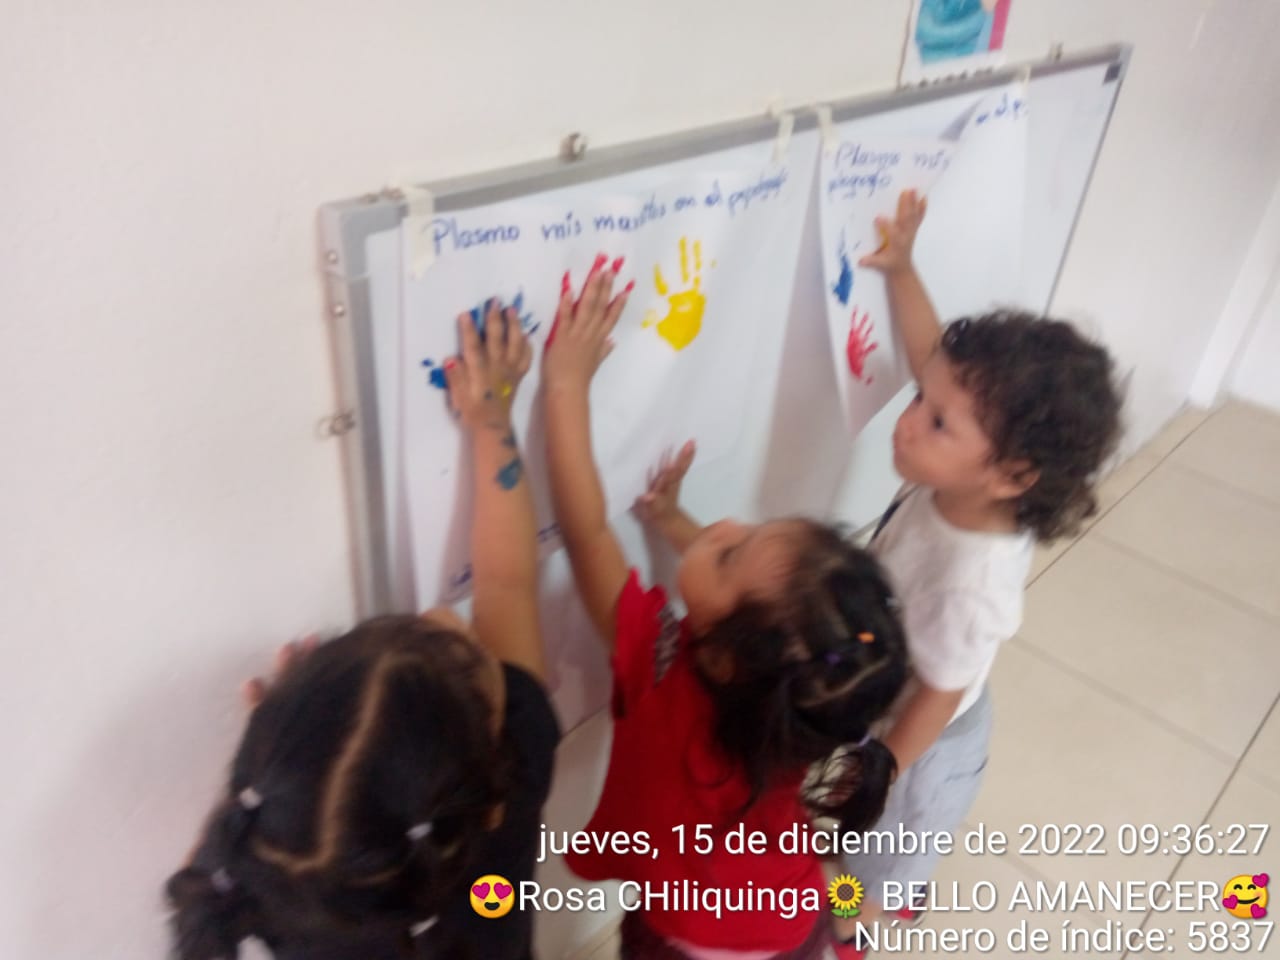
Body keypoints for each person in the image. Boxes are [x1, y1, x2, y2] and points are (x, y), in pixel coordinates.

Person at [166, 301, 558, 960]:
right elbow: (507, 581)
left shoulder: (284, 881)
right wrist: (492, 419)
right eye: (468, 650)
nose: (448, 615)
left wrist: (297, 752)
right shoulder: (515, 778)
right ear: (488, 791)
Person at [542, 259, 910, 959]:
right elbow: (743, 609)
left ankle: (848, 924)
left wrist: (565, 385)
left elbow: (587, 534)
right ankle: (851, 928)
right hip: (789, 916)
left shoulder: (662, 678)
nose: (728, 525)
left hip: (692, 941)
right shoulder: (803, 702)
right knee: (821, 878)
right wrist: (675, 520)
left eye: (730, 551)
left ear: (723, 657)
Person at [832, 190, 1122, 957]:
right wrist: (902, 269)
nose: (908, 421)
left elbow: (939, 691)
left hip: (927, 740)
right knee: (871, 841)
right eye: (920, 401)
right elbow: (933, 355)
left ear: (1012, 475)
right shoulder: (962, 479)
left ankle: (859, 925)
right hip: (904, 690)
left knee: (876, 859)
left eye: (935, 421)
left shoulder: (972, 582)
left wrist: (883, 766)